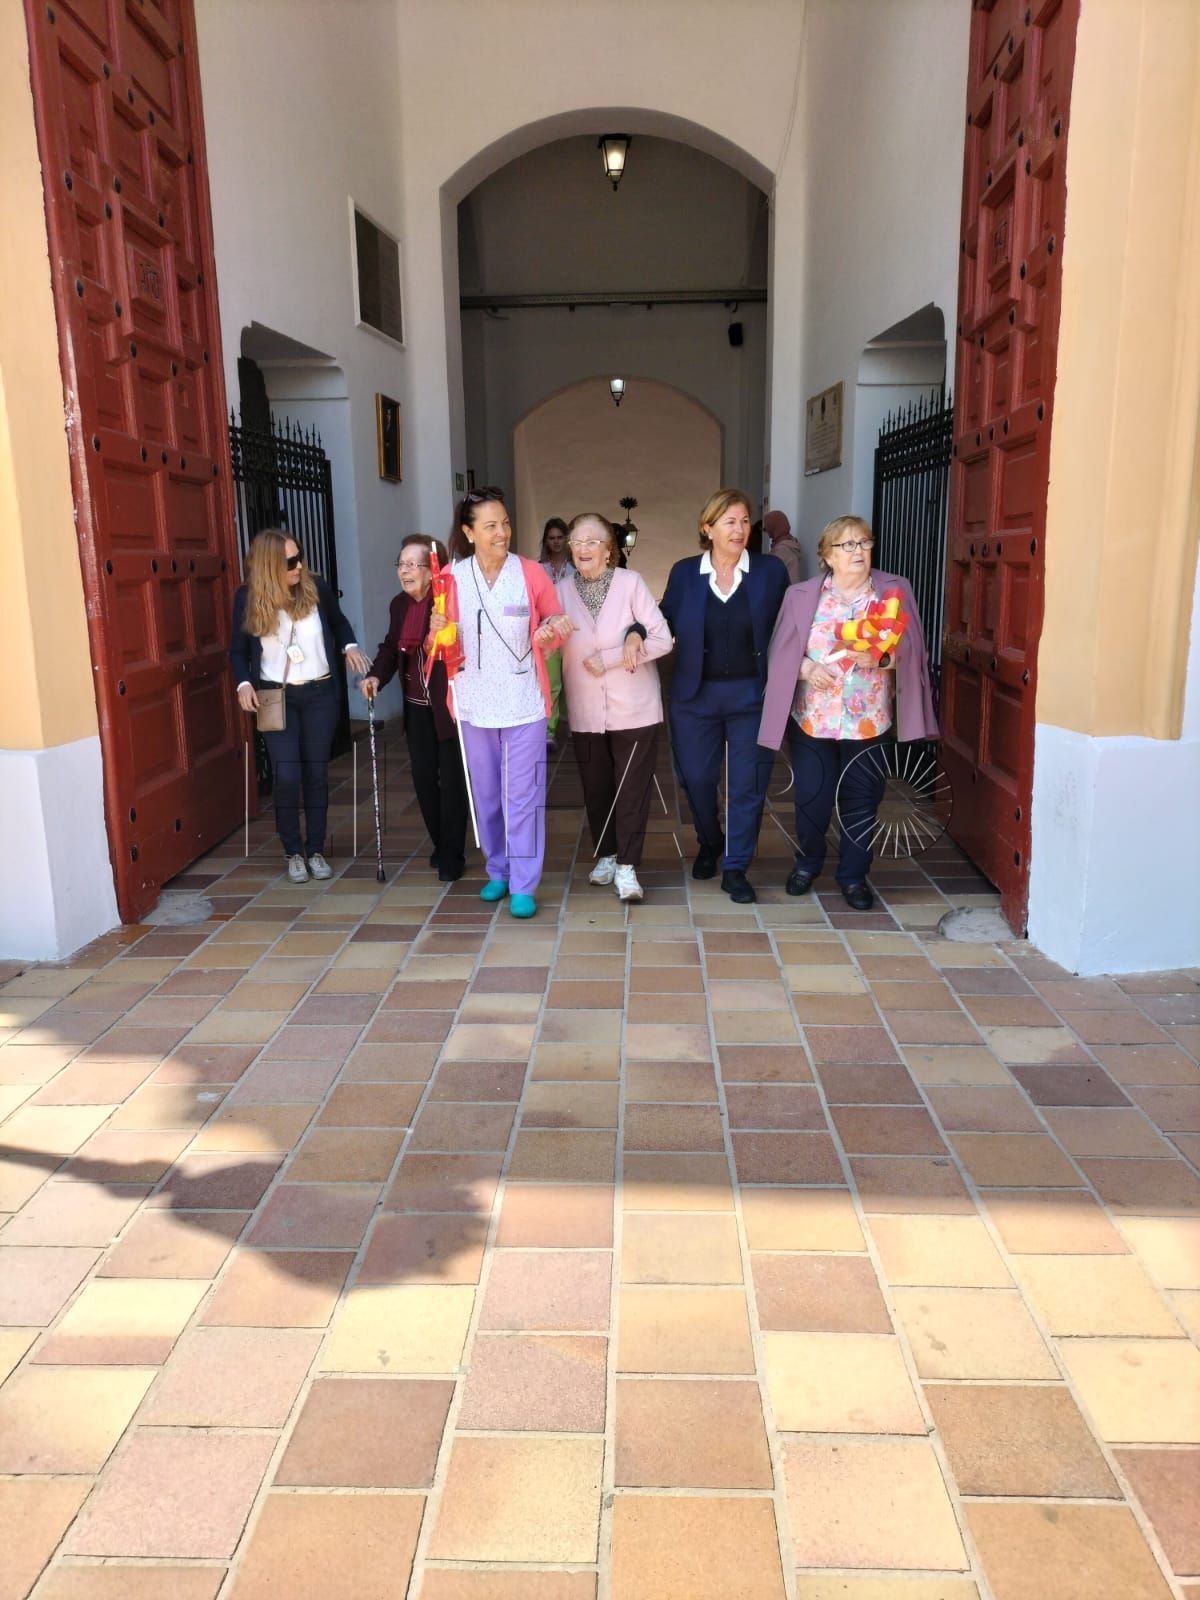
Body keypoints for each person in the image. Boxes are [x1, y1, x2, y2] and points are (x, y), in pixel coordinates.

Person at [758, 514, 939, 910]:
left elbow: (913, 651)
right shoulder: (802, 595)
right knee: (811, 795)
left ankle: (854, 875)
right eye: (847, 545)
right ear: (828, 555)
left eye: (864, 543)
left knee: (862, 797)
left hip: (869, 719)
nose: (858, 551)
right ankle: (807, 863)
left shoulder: (894, 590)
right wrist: (807, 668)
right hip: (813, 717)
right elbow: (782, 649)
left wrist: (882, 658)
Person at [440, 488, 573, 918]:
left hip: (524, 703)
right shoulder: (451, 577)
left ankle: (524, 882)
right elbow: (437, 640)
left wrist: (551, 631)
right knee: (488, 796)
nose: (502, 533)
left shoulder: (531, 573)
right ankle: (497, 870)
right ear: (469, 531)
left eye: (506, 523)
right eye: (491, 526)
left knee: (525, 796)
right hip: (474, 703)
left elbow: (555, 618)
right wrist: (438, 629)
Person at [660, 489, 790, 904]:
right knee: (696, 778)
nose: (740, 529)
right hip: (695, 696)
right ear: (708, 528)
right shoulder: (684, 573)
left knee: (748, 784)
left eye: (745, 521)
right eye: (730, 521)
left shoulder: (769, 571)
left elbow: (790, 626)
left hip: (753, 694)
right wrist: (633, 634)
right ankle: (710, 841)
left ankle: (735, 866)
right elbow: (662, 618)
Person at [231, 528, 371, 883]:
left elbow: (338, 624)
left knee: (315, 774)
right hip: (274, 696)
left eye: (300, 557)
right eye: (291, 561)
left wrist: (350, 646)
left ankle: (316, 849)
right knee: (287, 774)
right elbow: (237, 650)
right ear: (269, 566)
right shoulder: (247, 597)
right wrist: (244, 682)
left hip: (320, 694)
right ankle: (293, 851)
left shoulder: (316, 587)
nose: (299, 566)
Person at [556, 512, 673, 903]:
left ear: (610, 551)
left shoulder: (630, 584)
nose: (583, 548)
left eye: (593, 541)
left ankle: (627, 866)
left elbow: (663, 639)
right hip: (585, 707)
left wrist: (613, 654)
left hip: (635, 707)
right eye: (577, 541)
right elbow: (548, 643)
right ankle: (606, 855)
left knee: (631, 789)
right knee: (596, 787)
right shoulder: (559, 591)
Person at [360, 536, 469, 883]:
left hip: (447, 706)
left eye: (412, 564)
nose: (404, 571)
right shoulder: (399, 605)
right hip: (416, 707)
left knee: (452, 782)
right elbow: (392, 648)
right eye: (401, 564)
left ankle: (454, 852)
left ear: (431, 569)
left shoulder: (448, 602)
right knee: (424, 780)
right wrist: (376, 676)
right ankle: (440, 842)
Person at [538, 518, 571, 748]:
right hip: (549, 631)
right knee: (552, 683)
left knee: (576, 681)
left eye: (560, 537)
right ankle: (549, 730)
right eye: (552, 538)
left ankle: (578, 723)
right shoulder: (538, 569)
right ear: (546, 541)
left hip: (574, 630)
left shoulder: (576, 566)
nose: (556, 541)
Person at [763, 508, 805, 585]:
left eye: (768, 526)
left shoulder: (782, 551)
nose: (766, 530)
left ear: (774, 526)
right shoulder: (790, 543)